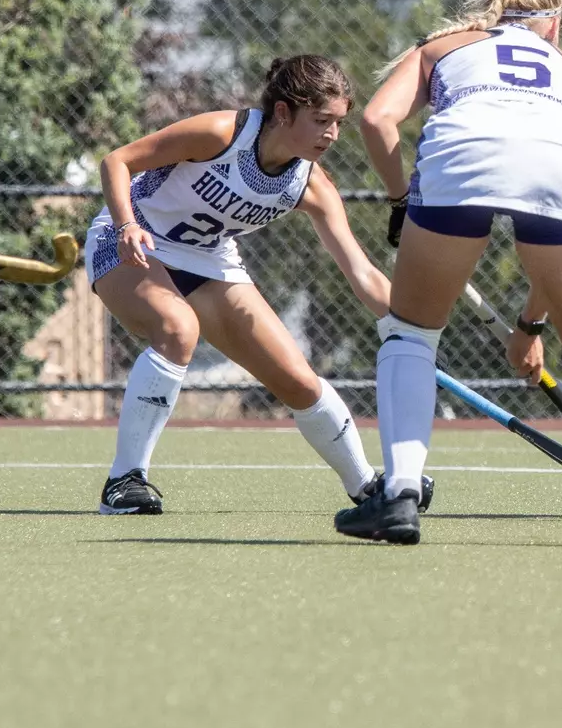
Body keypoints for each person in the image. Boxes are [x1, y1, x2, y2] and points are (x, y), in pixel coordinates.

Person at [340, 0, 562, 547]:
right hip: (560, 167)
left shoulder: (442, 47)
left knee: (411, 334)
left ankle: (400, 497)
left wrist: (400, 199)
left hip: (457, 162)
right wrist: (531, 323)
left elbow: (376, 119)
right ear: (554, 23)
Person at [86, 55, 417, 514]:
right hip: (130, 240)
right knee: (177, 328)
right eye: (321, 120)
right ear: (283, 112)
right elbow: (117, 161)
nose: (332, 135)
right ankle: (124, 481)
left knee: (299, 381)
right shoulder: (221, 134)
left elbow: (362, 274)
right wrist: (126, 225)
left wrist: (412, 333)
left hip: (208, 259)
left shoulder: (311, 184)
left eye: (339, 123)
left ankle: (368, 488)